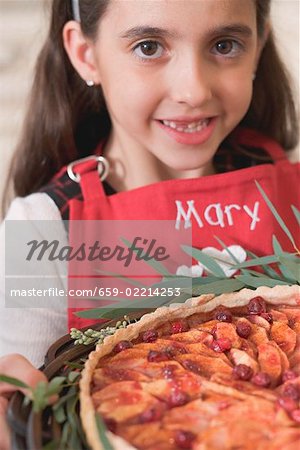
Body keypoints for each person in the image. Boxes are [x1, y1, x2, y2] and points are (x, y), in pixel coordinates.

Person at [0, 0, 299, 448]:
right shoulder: (47, 227)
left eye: (224, 44)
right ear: (86, 54)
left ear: (258, 46)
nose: (193, 89)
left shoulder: (289, 186)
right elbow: (27, 401)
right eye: (148, 46)